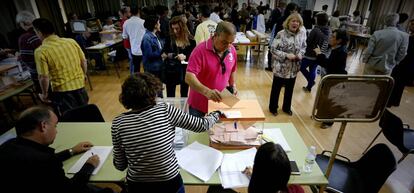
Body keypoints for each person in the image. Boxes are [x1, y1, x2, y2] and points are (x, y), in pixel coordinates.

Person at [111, 73, 221, 193]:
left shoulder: (118, 123)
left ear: (125, 97)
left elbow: (120, 165)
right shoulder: (165, 110)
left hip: (137, 186)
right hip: (170, 183)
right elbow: (201, 125)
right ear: (153, 94)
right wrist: (216, 113)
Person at [0, 106, 112, 193]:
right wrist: (89, 166)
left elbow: (40, 161)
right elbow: (72, 189)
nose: (57, 131)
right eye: (55, 126)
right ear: (43, 126)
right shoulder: (45, 161)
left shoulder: (8, 146)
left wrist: (71, 151)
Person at [33, 18, 89, 116]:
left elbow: (44, 77)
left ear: (39, 32)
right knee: (85, 113)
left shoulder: (41, 51)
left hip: (62, 91)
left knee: (72, 119)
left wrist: (45, 94)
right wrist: (84, 74)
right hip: (80, 86)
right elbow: (83, 61)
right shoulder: (71, 41)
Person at [186, 21, 238, 117]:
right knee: (198, 131)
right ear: (215, 35)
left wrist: (233, 85)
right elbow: (189, 77)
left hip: (219, 105)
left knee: (219, 131)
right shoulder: (200, 51)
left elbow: (232, 70)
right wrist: (207, 92)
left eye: (231, 43)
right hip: (199, 106)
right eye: (224, 42)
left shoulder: (232, 50)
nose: (228, 46)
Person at [268, 13, 306, 116]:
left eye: (297, 22)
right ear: (288, 22)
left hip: (294, 68)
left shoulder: (301, 34)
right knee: (276, 89)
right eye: (293, 21)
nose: (295, 23)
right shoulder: (281, 34)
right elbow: (273, 49)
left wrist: (300, 54)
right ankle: (273, 108)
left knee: (289, 89)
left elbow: (303, 47)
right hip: (281, 67)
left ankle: (286, 108)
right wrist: (286, 55)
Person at [313, 29, 349, 128]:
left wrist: (319, 54)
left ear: (339, 40)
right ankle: (321, 115)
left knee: (331, 100)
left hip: (335, 79)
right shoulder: (335, 48)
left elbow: (328, 65)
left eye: (333, 37)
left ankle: (328, 122)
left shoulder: (341, 52)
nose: (330, 38)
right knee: (324, 98)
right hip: (329, 77)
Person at [163, 16, 196, 97]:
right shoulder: (169, 38)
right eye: (173, 28)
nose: (175, 31)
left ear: (183, 27)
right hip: (171, 70)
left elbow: (194, 56)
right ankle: (170, 109)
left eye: (177, 28)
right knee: (170, 94)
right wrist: (172, 55)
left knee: (184, 94)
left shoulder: (191, 40)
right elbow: (164, 52)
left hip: (185, 70)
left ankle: (183, 110)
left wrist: (186, 56)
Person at [300, 12, 331, 92]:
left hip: (309, 54)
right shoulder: (328, 30)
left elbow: (308, 42)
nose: (314, 18)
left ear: (319, 20)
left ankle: (311, 82)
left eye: (316, 18)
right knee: (313, 70)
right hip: (319, 55)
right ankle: (309, 87)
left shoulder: (316, 30)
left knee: (301, 67)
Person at [388, 19, 414, 107]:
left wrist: (397, 60)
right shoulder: (409, 36)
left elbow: (404, 51)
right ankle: (395, 101)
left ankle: (389, 102)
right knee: (400, 84)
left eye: (412, 24)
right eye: (410, 24)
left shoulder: (410, 38)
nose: (410, 26)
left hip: (404, 64)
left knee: (396, 82)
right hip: (407, 64)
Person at [266, 2, 298, 71]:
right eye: (295, 10)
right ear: (291, 10)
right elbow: (278, 33)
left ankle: (273, 67)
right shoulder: (281, 19)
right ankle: (271, 66)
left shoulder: (294, 21)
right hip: (281, 42)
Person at [16, 11, 42, 93]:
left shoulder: (24, 38)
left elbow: (27, 60)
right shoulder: (42, 32)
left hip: (39, 75)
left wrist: (19, 56)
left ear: (23, 23)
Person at [141, 15, 165, 86]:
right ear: (155, 25)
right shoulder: (147, 38)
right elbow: (149, 54)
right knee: (154, 89)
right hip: (152, 68)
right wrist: (162, 53)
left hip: (158, 66)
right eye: (158, 23)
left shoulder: (155, 35)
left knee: (159, 88)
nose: (160, 24)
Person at [122, 6, 145, 74]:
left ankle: (136, 82)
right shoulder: (143, 22)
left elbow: (125, 36)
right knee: (146, 68)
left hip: (134, 49)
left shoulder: (126, 23)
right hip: (144, 49)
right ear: (139, 12)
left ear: (130, 13)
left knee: (136, 69)